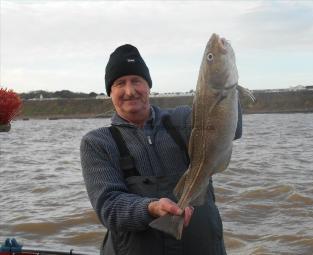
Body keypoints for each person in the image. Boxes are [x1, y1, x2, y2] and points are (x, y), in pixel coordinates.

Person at [80, 44, 242, 255]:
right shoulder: (97, 142)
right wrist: (150, 208)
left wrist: (227, 88)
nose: (130, 91)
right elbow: (109, 206)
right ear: (110, 92)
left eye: (137, 81)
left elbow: (233, 129)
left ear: (148, 86)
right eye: (120, 83)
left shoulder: (183, 120)